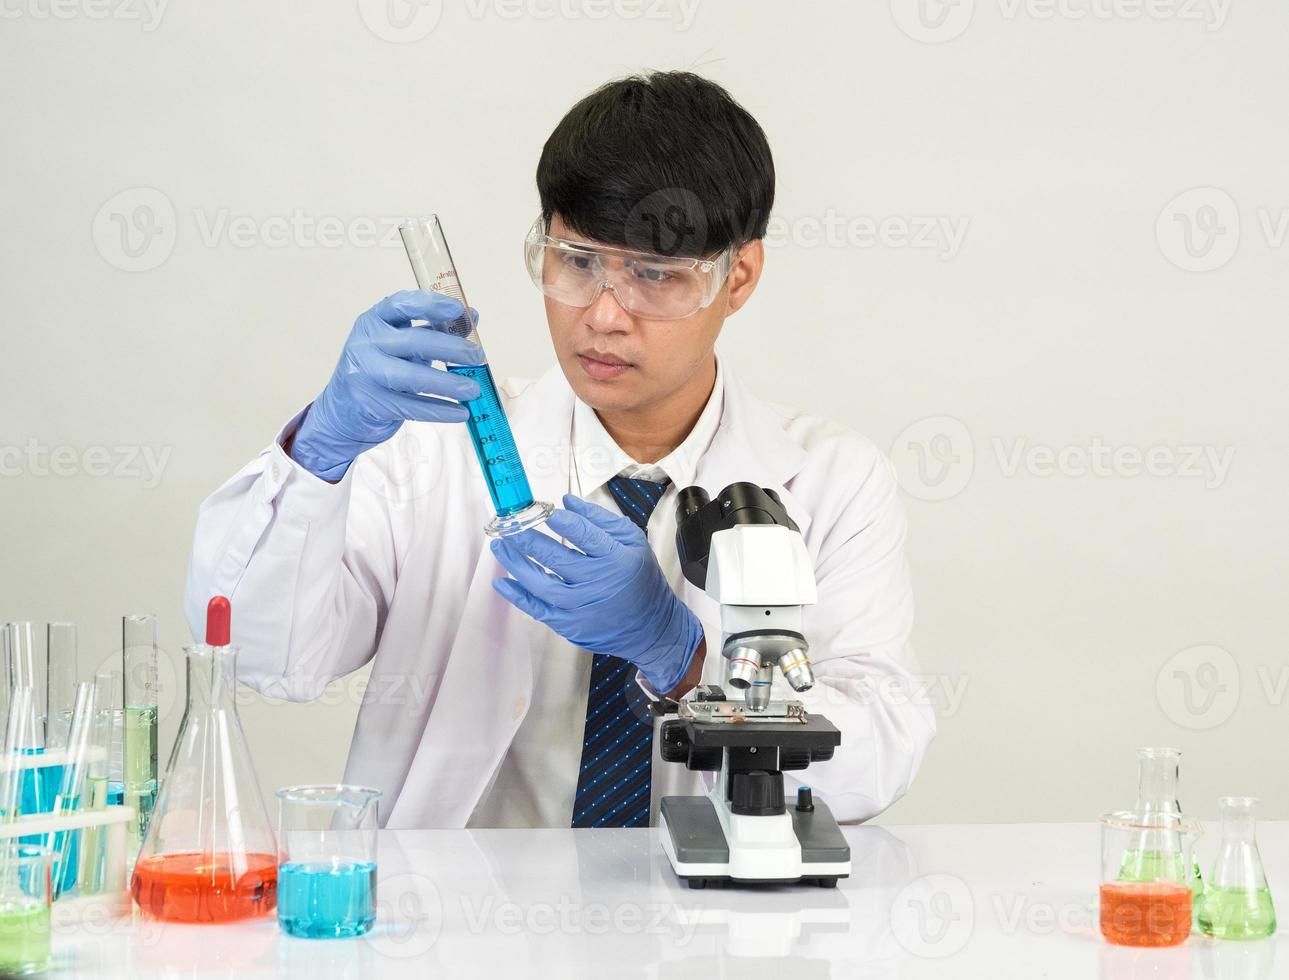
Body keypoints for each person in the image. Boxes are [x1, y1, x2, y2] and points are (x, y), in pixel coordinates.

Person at [184, 70, 935, 830]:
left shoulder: (833, 479)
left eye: (652, 275)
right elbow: (266, 658)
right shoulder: (430, 452)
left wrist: (683, 659)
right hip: (452, 931)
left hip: (707, 935)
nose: (604, 316)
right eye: (576, 261)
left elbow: (873, 760)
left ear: (736, 276)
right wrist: (319, 451)